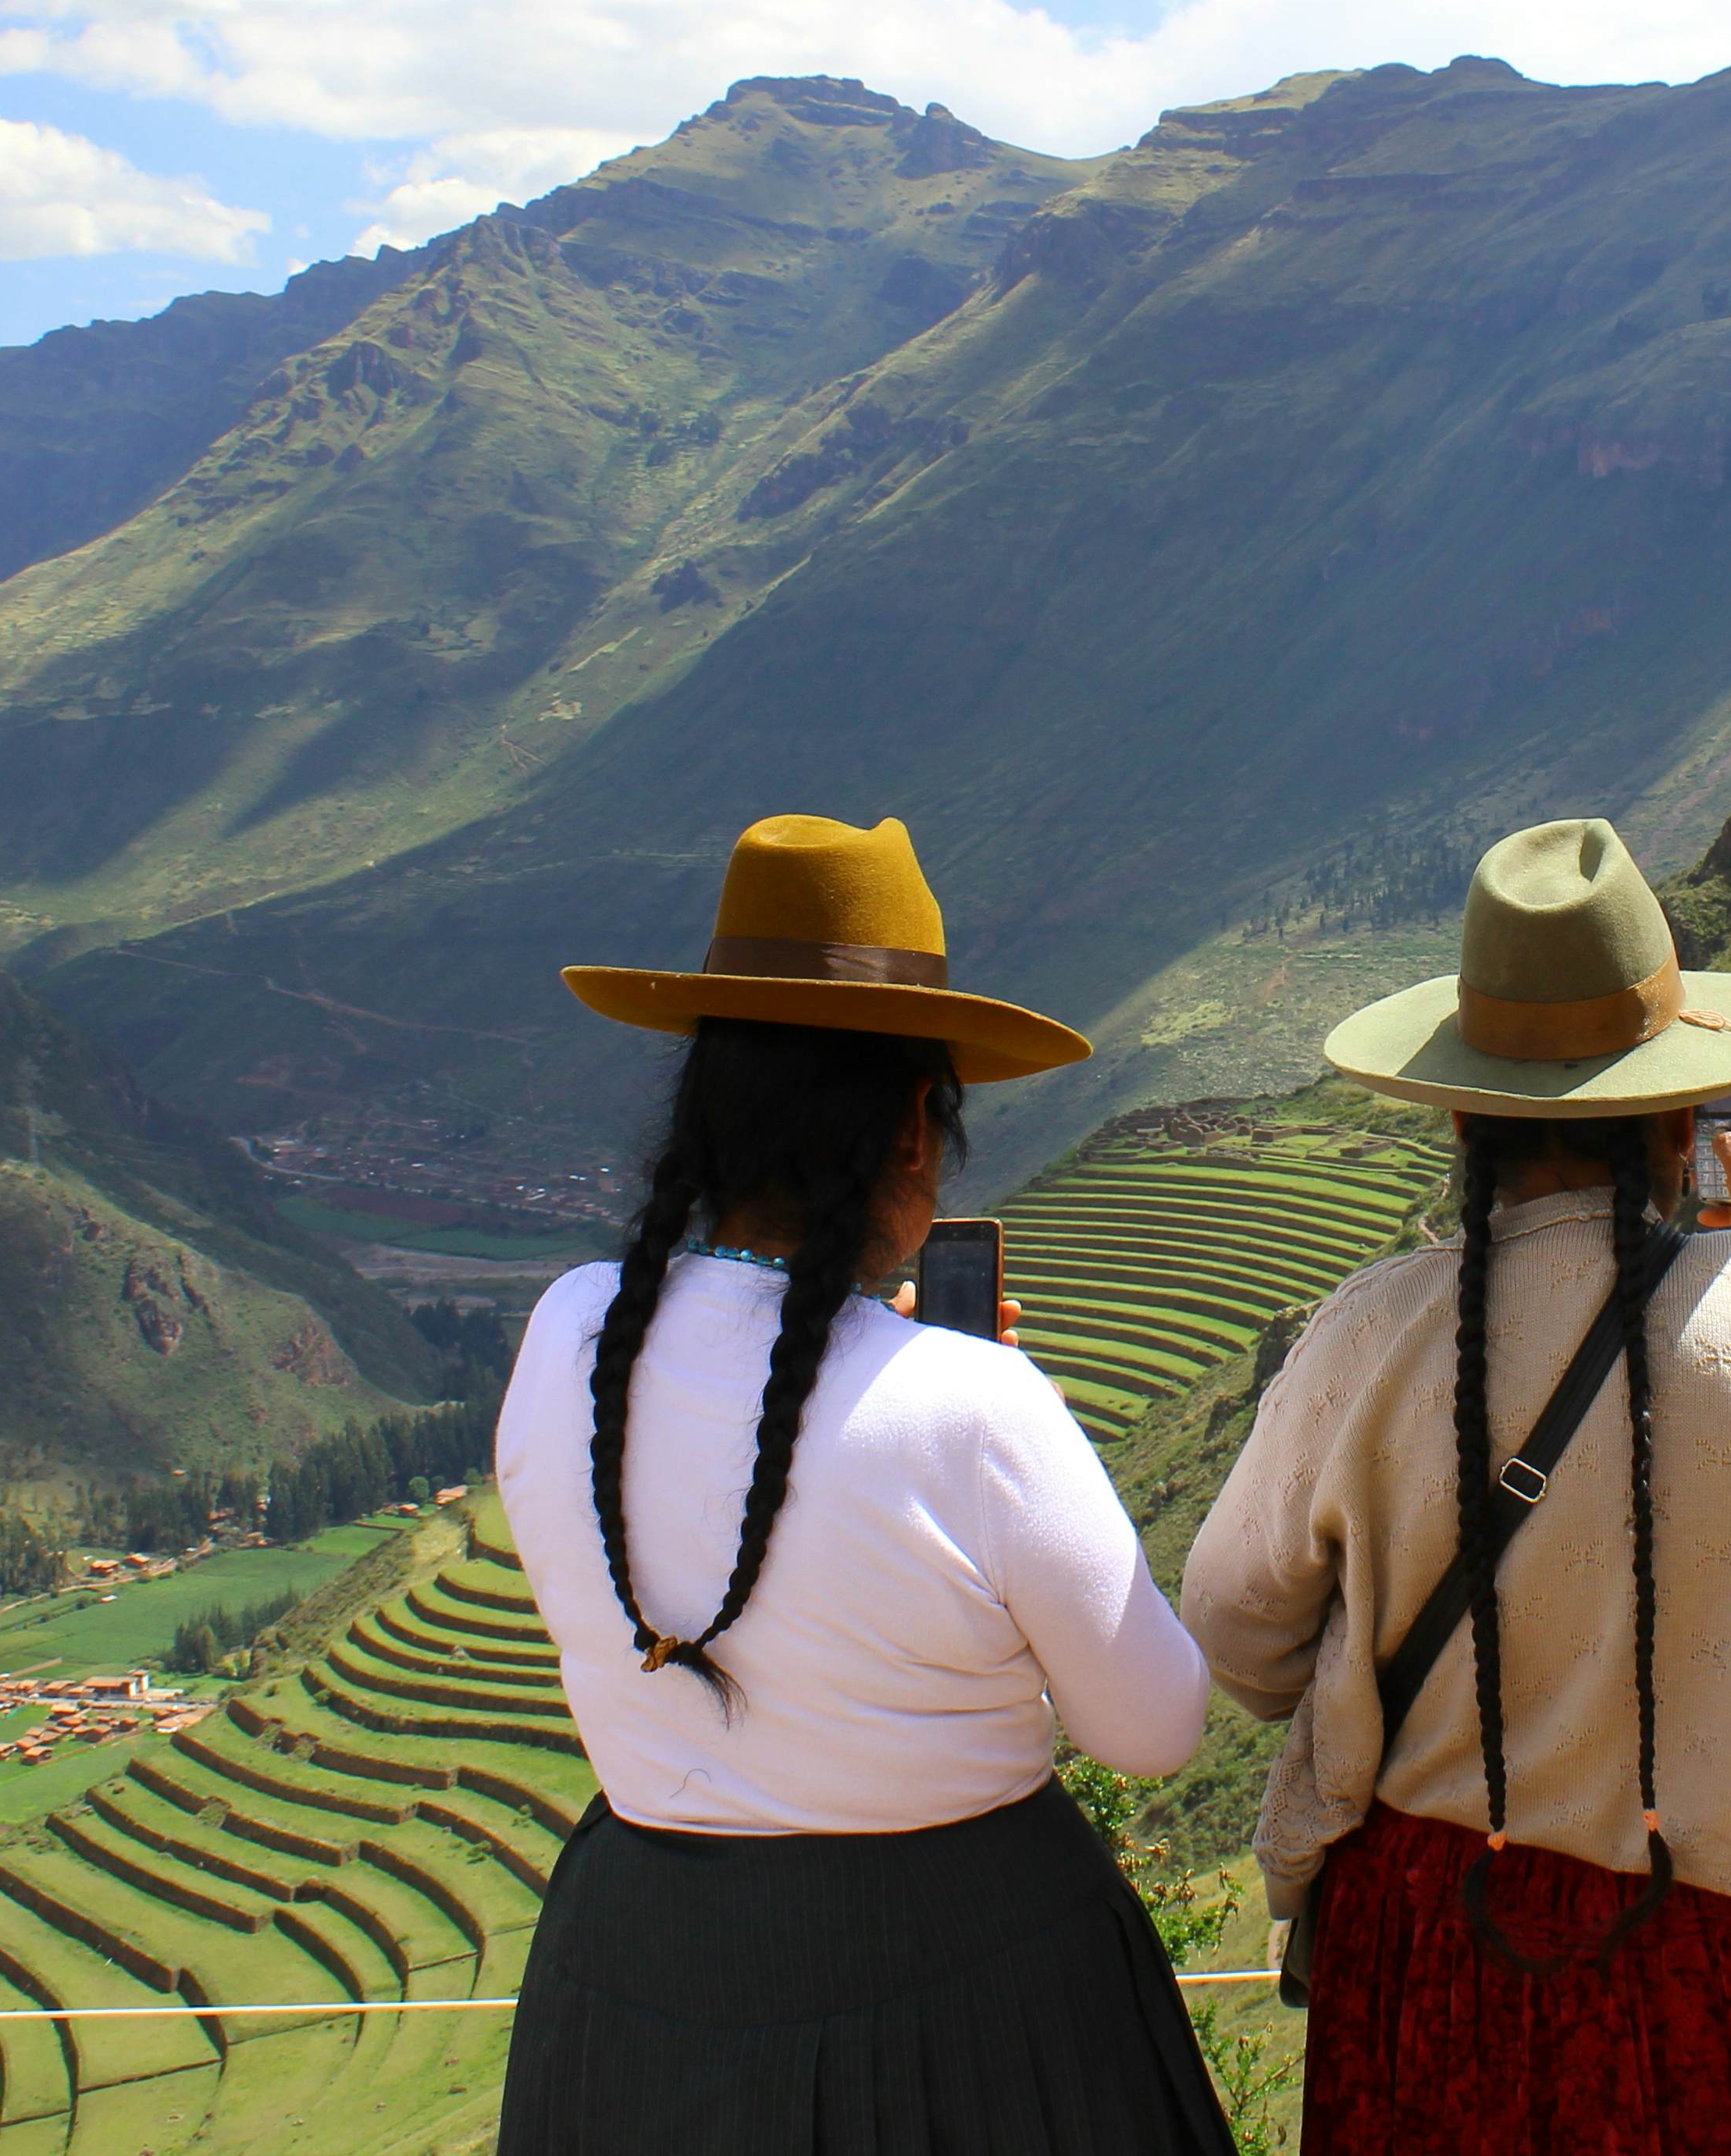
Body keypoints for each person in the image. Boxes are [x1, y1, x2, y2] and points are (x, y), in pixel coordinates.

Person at [1181, 817, 1731, 2155]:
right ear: (1689, 1110)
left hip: (1459, 1950)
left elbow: (1235, 1624)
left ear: (1464, 1113)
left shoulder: (1370, 1334)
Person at [494, 814, 1229, 2156]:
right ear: (910, 1135)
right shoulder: (970, 1404)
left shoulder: (569, 1333)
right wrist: (970, 1396)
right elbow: (1155, 1726)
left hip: (634, 1980)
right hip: (963, 1997)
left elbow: (741, 1422)